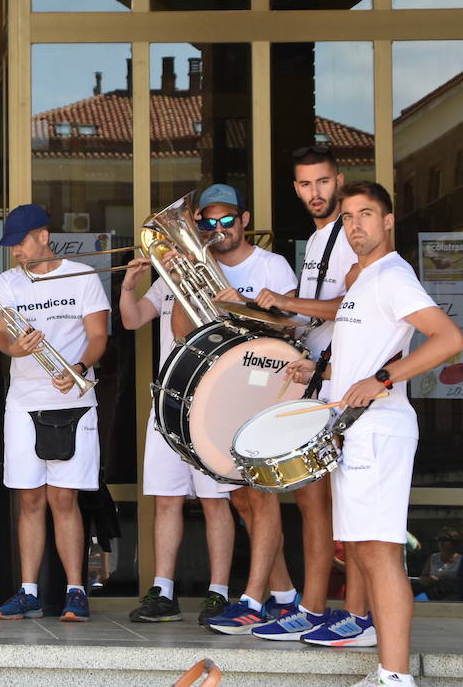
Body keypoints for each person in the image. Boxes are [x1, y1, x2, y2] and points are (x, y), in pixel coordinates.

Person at [285, 181, 463, 687]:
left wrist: (383, 379)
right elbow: (363, 357)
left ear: (388, 221)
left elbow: (448, 338)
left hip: (380, 429)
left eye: (366, 214)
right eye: (348, 217)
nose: (356, 224)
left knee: (379, 550)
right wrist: (322, 376)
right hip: (356, 430)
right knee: (363, 549)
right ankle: (388, 669)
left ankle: (396, 675)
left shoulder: (391, 275)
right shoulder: (362, 280)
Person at [173, 185, 302, 636]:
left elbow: (292, 326)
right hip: (222, 394)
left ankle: (251, 600)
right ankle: (285, 597)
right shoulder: (199, 265)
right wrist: (184, 281)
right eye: (207, 223)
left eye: (226, 220)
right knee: (245, 499)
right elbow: (179, 331)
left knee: (262, 497)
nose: (217, 230)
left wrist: (239, 305)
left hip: (266, 389)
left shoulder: (271, 265)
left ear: (244, 219)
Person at [247, 147, 363, 642]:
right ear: (295, 188)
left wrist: (286, 302)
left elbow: (351, 304)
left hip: (345, 378)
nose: (314, 193)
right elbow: (313, 314)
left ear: (338, 180)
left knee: (343, 504)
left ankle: (350, 613)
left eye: (322, 182)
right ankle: (314, 608)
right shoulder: (318, 240)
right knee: (313, 499)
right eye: (304, 185)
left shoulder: (351, 234)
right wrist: (253, 311)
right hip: (316, 375)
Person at [0, 204, 108, 622]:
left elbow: (97, 336)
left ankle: (76, 591)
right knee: (30, 498)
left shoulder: (82, 275)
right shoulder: (6, 282)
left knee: (64, 498)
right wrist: (12, 348)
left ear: (42, 235)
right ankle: (28, 591)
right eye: (12, 246)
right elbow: (0, 333)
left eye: (20, 243)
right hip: (24, 399)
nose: (16, 253)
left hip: (72, 398)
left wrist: (77, 370)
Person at [119, 255, 236, 627]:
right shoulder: (163, 282)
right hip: (169, 399)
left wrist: (185, 281)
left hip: (211, 402)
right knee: (166, 499)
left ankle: (219, 592)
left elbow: (187, 331)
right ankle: (163, 591)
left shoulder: (217, 278)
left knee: (214, 500)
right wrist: (127, 286)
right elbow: (131, 319)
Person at [412, 529, 460, 600]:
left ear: (454, 542)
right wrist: (429, 579)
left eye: (445, 539)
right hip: (433, 593)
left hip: (453, 595)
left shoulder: (461, 560)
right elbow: (422, 577)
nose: (441, 542)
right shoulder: (433, 558)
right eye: (439, 539)